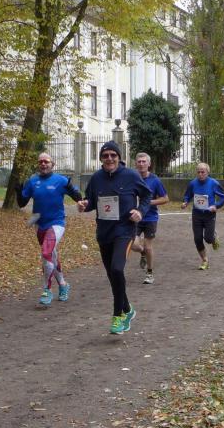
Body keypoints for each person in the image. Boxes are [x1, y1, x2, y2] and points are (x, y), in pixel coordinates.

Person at [77, 141, 151, 335]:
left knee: (117, 269)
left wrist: (140, 211)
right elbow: (91, 201)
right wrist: (84, 205)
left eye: (113, 155)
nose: (109, 158)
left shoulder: (131, 175)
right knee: (112, 275)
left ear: (119, 157)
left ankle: (118, 315)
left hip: (124, 231)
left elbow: (146, 196)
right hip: (104, 232)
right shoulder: (96, 178)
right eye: (105, 155)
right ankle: (128, 308)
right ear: (101, 159)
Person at [16, 152, 83, 306]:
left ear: (53, 164)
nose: (43, 164)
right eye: (40, 162)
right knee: (51, 256)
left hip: (57, 223)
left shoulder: (61, 180)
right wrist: (18, 192)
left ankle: (47, 289)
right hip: (40, 224)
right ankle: (63, 285)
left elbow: (78, 197)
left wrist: (75, 194)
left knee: (46, 253)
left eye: (46, 161)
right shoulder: (32, 181)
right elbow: (21, 203)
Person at [129, 152, 169, 285]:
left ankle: (150, 273)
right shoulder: (131, 178)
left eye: (144, 161)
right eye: (139, 161)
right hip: (135, 217)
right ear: (136, 163)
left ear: (149, 164)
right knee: (132, 244)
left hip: (150, 218)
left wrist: (148, 202)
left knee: (148, 246)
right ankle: (142, 253)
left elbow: (165, 199)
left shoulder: (155, 180)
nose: (141, 164)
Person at [180, 162, 224, 270]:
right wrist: (185, 202)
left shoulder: (213, 183)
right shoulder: (192, 183)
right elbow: (187, 195)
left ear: (208, 172)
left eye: (203, 172)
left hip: (209, 215)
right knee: (197, 239)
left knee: (208, 239)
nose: (200, 174)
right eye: (198, 172)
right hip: (196, 215)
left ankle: (213, 237)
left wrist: (216, 206)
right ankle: (205, 260)